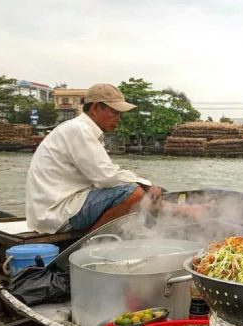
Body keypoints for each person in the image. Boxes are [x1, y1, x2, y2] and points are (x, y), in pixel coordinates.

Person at [26, 83, 202, 234]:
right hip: (56, 212)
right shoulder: (79, 130)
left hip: (56, 208)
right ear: (95, 108)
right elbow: (107, 178)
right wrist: (145, 184)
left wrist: (146, 184)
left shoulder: (78, 129)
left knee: (146, 191)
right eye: (114, 112)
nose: (119, 118)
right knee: (133, 193)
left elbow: (104, 174)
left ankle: (183, 211)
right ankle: (91, 243)